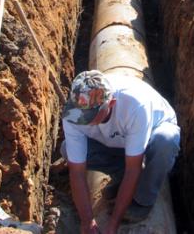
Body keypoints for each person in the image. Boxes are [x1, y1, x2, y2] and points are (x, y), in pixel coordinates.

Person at [62, 70, 180, 234]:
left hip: (153, 130)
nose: (84, 120)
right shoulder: (73, 114)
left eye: (90, 115)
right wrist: (87, 221)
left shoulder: (135, 106)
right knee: (67, 149)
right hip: (117, 140)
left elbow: (134, 168)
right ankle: (119, 173)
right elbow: (77, 173)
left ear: (110, 104)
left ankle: (143, 200)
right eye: (81, 114)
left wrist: (113, 224)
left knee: (165, 142)